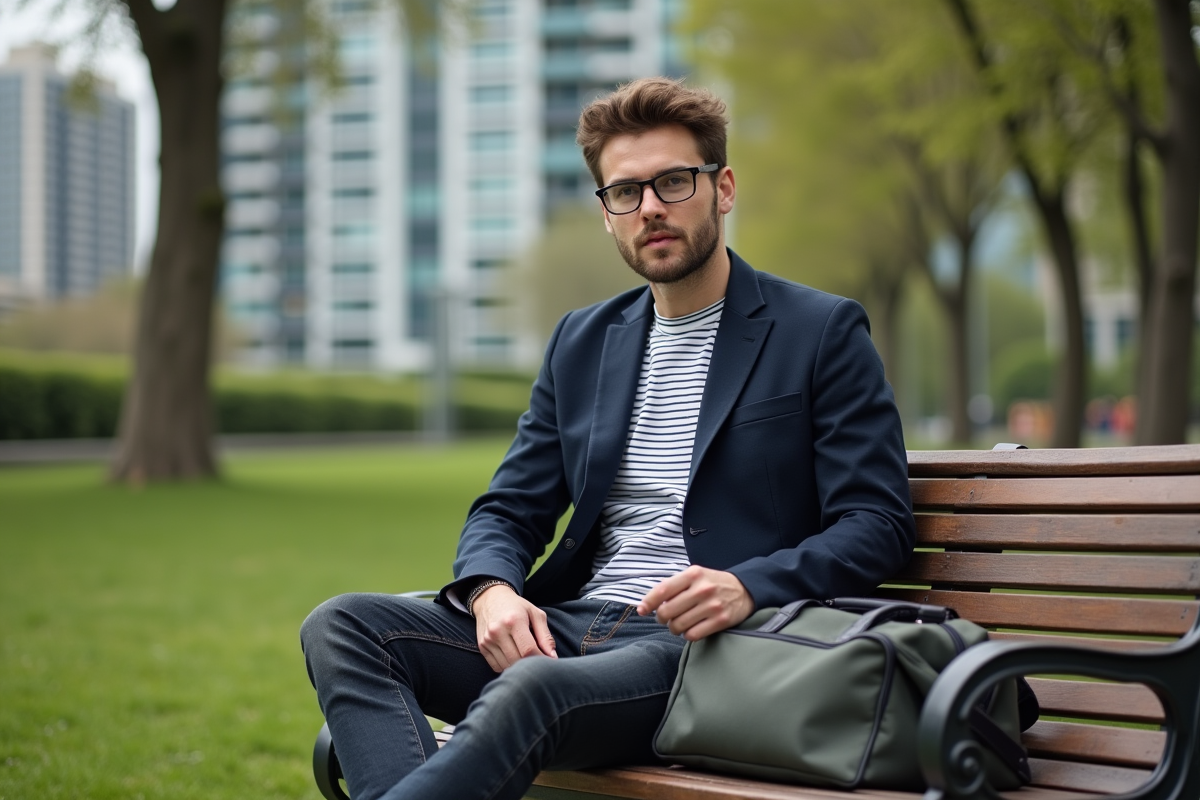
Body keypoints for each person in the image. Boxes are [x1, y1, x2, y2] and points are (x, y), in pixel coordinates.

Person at [301, 77, 915, 800]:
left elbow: (877, 524)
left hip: (701, 649)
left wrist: (749, 584)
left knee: (527, 693)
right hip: (566, 626)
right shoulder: (584, 340)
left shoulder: (819, 332)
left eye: (673, 182)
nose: (649, 206)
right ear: (606, 214)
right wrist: (492, 591)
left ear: (723, 189)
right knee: (344, 625)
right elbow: (510, 506)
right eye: (625, 192)